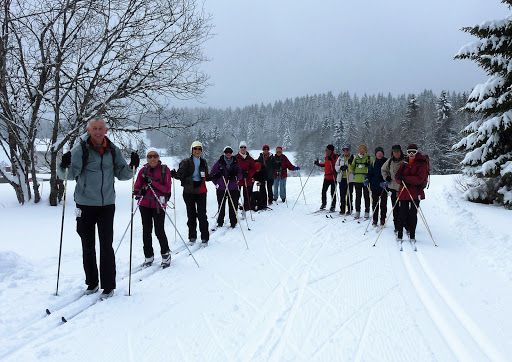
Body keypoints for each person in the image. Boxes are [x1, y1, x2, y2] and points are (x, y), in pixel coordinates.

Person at [58, 117, 138, 298]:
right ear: (88, 130)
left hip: (107, 205)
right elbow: (68, 176)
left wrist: (133, 166)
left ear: (106, 130)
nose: (98, 131)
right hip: (85, 205)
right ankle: (92, 283)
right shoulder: (80, 150)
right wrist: (62, 165)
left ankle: (108, 285)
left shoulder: (112, 150)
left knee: (106, 245)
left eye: (101, 128)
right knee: (88, 245)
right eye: (94, 128)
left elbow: (122, 174)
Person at [133, 148, 172, 268]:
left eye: (155, 156)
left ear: (158, 157)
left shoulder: (165, 170)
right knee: (146, 231)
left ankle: (165, 254)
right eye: (150, 156)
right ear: (147, 158)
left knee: (159, 230)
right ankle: (148, 256)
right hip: (144, 205)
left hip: (158, 205)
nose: (152, 158)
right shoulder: (142, 171)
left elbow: (166, 189)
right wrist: (141, 191)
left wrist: (152, 182)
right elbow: (136, 189)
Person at [171, 141, 210, 246]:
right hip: (189, 191)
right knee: (191, 214)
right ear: (192, 150)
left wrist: (218, 175)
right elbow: (180, 175)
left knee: (202, 214)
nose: (197, 151)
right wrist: (174, 174)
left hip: (201, 191)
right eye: (195, 149)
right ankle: (192, 236)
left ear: (201, 151)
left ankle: (205, 237)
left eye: (199, 149)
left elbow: (206, 175)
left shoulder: (204, 162)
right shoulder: (186, 162)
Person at [395, 144, 428, 243]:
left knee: (413, 214)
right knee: (402, 214)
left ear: (417, 152)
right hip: (404, 191)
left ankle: (412, 235)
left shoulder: (421, 163)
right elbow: (397, 176)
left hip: (416, 192)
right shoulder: (404, 162)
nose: (411, 154)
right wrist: (399, 179)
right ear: (407, 152)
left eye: (413, 151)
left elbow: (420, 179)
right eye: (409, 152)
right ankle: (400, 235)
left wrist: (405, 178)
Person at [210, 146, 243, 228]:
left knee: (233, 205)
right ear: (224, 153)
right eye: (226, 152)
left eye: (230, 152)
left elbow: (240, 174)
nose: (228, 154)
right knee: (221, 205)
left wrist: (236, 177)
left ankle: (233, 222)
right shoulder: (219, 162)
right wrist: (217, 184)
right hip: (222, 188)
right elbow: (212, 175)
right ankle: (220, 222)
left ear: (232, 153)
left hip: (233, 187)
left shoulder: (235, 162)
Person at [381, 144, 405, 234]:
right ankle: (397, 226)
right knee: (395, 208)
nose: (396, 153)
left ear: (400, 151)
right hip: (393, 188)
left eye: (398, 151)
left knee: (404, 208)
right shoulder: (390, 161)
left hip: (403, 188)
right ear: (392, 152)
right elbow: (383, 169)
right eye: (394, 152)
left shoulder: (405, 160)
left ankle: (405, 225)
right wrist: (386, 177)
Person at [368, 147, 388, 226]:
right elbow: (370, 173)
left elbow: (389, 173)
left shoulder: (386, 161)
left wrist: (386, 182)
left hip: (384, 187)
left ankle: (382, 219)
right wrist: (367, 179)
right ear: (375, 154)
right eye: (378, 153)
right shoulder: (373, 162)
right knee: (375, 204)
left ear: (383, 154)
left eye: (381, 153)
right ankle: (375, 219)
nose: (379, 154)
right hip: (374, 186)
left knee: (383, 205)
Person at [314, 144, 338, 211]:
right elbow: (325, 164)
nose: (326, 151)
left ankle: (333, 206)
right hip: (327, 177)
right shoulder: (326, 157)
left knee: (333, 192)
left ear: (331, 150)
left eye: (327, 150)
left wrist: (332, 160)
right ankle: (324, 204)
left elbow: (336, 166)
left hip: (333, 177)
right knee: (323, 191)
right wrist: (318, 164)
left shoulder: (335, 157)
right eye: (326, 150)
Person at [350, 144, 371, 219]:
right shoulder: (356, 158)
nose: (361, 150)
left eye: (363, 149)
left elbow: (371, 167)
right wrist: (350, 165)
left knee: (366, 196)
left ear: (365, 150)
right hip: (357, 180)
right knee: (358, 196)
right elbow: (352, 168)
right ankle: (357, 211)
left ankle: (367, 211)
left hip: (365, 179)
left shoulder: (368, 158)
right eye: (360, 149)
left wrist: (368, 166)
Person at [236, 141, 256, 212]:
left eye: (244, 147)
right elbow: (233, 168)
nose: (243, 148)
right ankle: (236, 206)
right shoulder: (236, 158)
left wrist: (248, 173)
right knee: (236, 194)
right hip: (238, 179)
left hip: (247, 179)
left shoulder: (250, 158)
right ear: (239, 148)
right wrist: (240, 173)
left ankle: (246, 208)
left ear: (246, 148)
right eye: (241, 147)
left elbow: (254, 168)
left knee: (246, 195)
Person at [334, 145, 354, 215]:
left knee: (349, 194)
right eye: (344, 150)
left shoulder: (352, 157)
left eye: (347, 150)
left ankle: (350, 209)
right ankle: (342, 209)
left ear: (349, 151)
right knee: (342, 194)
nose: (346, 151)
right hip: (341, 178)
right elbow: (336, 167)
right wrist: (341, 167)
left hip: (350, 178)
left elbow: (354, 167)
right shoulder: (340, 158)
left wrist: (348, 167)